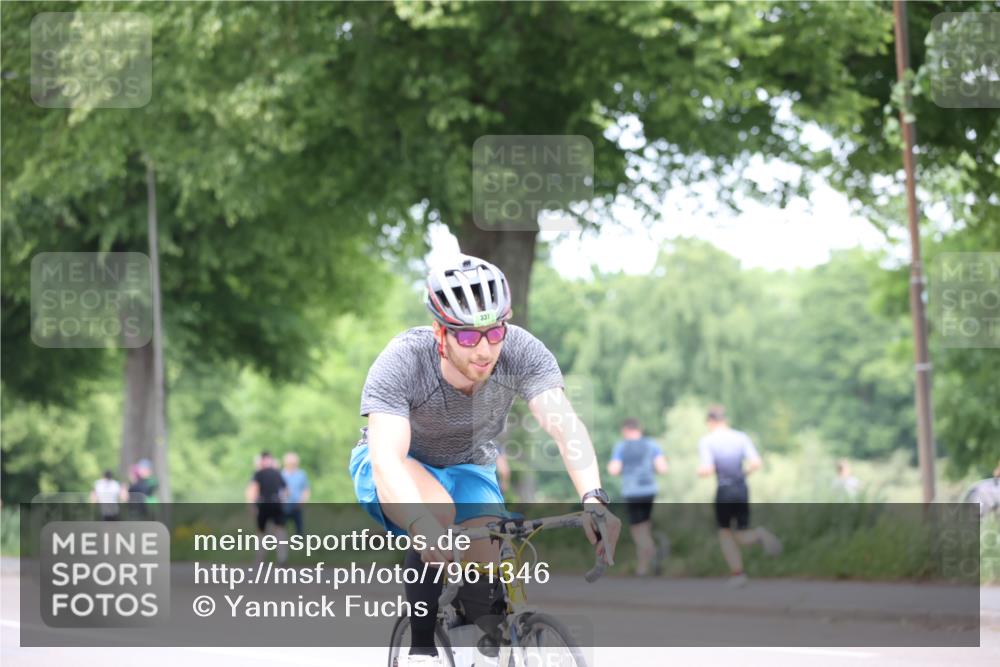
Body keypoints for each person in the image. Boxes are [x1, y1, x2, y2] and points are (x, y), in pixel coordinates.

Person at [349, 254, 621, 666]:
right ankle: (422, 647)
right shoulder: (403, 360)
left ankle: (481, 647)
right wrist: (419, 522)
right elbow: (387, 456)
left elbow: (564, 424)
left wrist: (594, 497)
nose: (485, 349)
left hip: (469, 464)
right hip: (397, 461)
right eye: (468, 337)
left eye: (494, 332)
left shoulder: (520, 351)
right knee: (437, 514)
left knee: (487, 548)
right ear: (441, 333)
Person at [696, 404, 781, 587]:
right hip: (742, 488)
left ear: (711, 421)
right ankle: (758, 534)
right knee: (741, 533)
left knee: (725, 532)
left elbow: (708, 468)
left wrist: (700, 471)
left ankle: (738, 574)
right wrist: (742, 475)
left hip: (724, 489)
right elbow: (756, 463)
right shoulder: (741, 437)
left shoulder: (708, 441)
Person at [607, 418, 668, 576]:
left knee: (637, 530)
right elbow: (662, 468)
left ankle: (652, 550)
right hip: (649, 491)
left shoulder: (621, 446)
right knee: (645, 527)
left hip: (632, 491)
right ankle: (643, 567)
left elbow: (614, 469)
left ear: (625, 430)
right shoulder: (651, 444)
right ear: (639, 429)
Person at [245, 451, 288, 565]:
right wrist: (283, 502)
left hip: (264, 504)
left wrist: (251, 505)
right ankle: (281, 558)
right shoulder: (277, 473)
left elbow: (253, 489)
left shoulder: (258, 473)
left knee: (262, 532)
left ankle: (260, 559)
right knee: (279, 530)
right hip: (276, 503)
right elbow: (285, 491)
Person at [281, 452, 311, 535]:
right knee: (281, 527)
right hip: (284, 505)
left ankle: (299, 545)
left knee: (299, 528)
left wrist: (303, 501)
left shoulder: (301, 474)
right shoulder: (281, 474)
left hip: (297, 505)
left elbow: (305, 489)